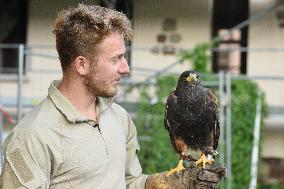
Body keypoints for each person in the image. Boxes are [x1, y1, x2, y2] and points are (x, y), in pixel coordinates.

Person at [0, 4, 225, 189]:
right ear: (82, 64)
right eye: (115, 59)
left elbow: (128, 183)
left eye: (124, 57)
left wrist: (172, 183)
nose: (126, 68)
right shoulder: (32, 137)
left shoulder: (119, 117)